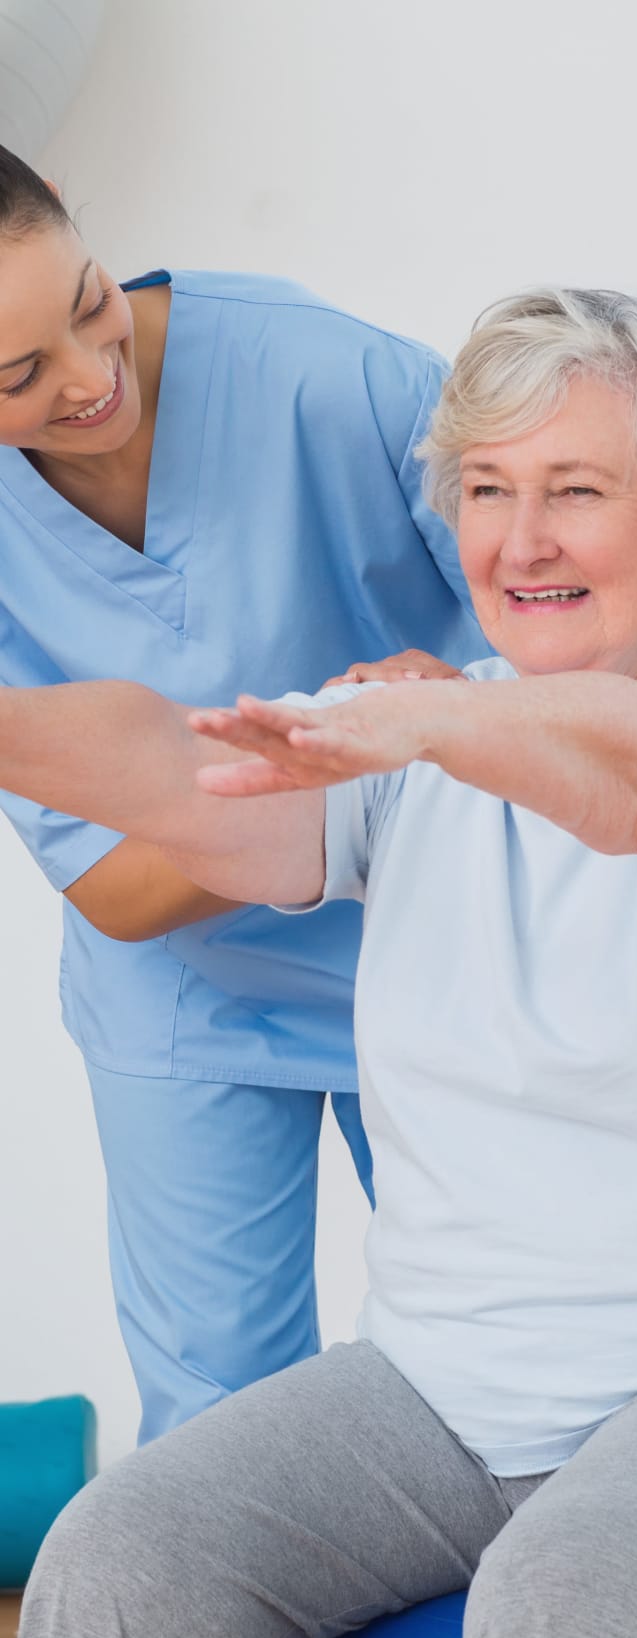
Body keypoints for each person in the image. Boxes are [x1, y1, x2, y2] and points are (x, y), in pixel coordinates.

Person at [1, 285, 637, 1638]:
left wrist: (438, 726)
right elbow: (170, 773)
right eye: (488, 492)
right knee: (117, 1557)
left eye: (577, 491)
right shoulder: (418, 732)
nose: (517, 540)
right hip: (442, 1391)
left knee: (572, 1595)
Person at [0, 142, 495, 1442]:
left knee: (513, 1364)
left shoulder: (325, 377)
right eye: (19, 376)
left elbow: (567, 606)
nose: (92, 379)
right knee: (224, 1416)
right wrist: (342, 760)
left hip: (437, 942)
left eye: (89, 303)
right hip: (189, 994)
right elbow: (111, 885)